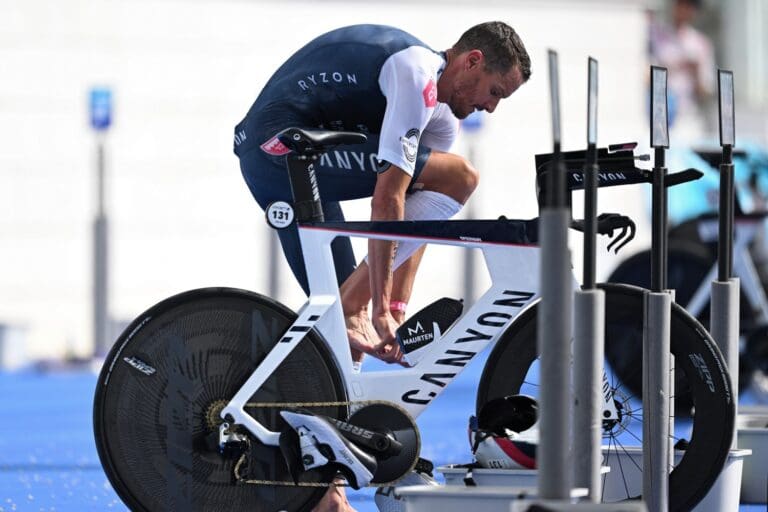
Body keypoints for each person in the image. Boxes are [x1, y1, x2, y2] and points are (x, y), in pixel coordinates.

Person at [234, 22, 530, 512]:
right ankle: (351, 313)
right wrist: (374, 311)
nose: (491, 107)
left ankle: (325, 492)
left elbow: (423, 220)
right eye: (494, 92)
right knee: (460, 176)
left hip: (304, 151)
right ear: (471, 61)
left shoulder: (442, 120)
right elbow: (387, 198)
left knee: (335, 337)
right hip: (275, 149)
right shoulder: (416, 74)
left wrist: (394, 302)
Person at [649, 0, 715, 141]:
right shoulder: (656, 35)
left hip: (688, 119)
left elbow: (706, 91)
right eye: (681, 4)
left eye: (688, 6)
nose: (683, 10)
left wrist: (695, 72)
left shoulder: (700, 43)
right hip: (658, 116)